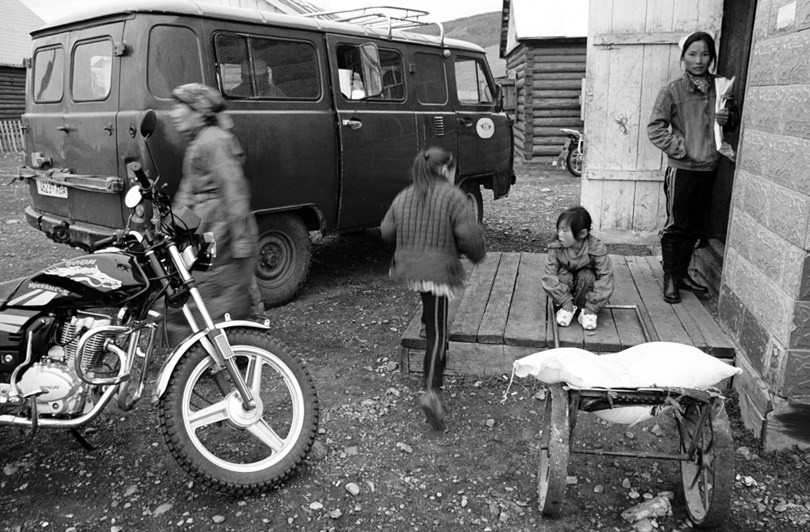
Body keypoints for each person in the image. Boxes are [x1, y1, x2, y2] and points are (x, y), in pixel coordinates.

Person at [381, 147, 486, 431]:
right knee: (440, 333)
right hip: (437, 270)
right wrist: (477, 254)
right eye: (453, 170)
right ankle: (431, 390)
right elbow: (469, 237)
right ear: (445, 171)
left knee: (430, 309)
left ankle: (427, 324)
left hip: (410, 266)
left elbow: (386, 231)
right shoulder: (453, 197)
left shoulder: (405, 194)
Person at [166, 82, 262, 344]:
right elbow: (188, 193)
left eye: (179, 106)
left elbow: (234, 190)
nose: (173, 113)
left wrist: (241, 241)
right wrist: (171, 227)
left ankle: (232, 349)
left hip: (222, 227)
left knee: (219, 289)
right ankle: (207, 349)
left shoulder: (213, 141)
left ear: (198, 110)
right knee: (204, 287)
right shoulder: (201, 142)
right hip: (207, 224)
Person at [647, 31, 738, 304]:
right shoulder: (672, 90)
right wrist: (682, 149)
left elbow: (730, 123)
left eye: (705, 54)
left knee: (695, 227)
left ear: (712, 57)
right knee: (677, 225)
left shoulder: (721, 87)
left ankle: (683, 273)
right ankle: (671, 277)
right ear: (683, 57)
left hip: (710, 167)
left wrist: (729, 117)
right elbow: (655, 128)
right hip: (682, 169)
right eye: (692, 54)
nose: (699, 60)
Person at [541, 206, 614, 331]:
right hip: (565, 290)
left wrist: (593, 306)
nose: (560, 235)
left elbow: (606, 278)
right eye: (559, 229)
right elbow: (549, 275)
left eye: (565, 231)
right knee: (564, 275)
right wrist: (564, 300)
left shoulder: (596, 248)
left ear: (582, 233)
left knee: (588, 276)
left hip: (586, 291)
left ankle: (584, 310)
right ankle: (566, 307)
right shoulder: (556, 246)